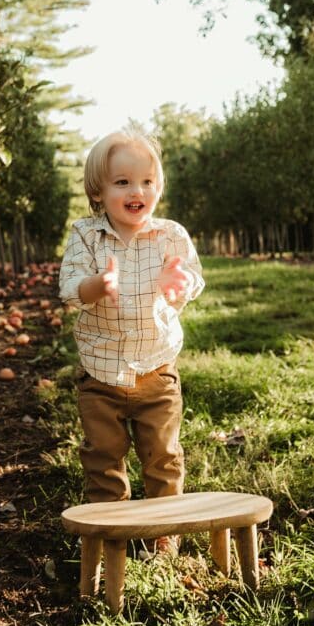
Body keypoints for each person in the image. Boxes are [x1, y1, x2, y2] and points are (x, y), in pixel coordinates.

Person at [59, 126, 204, 550]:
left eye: (146, 181)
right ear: (98, 192)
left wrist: (180, 282)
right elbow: (69, 288)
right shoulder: (85, 235)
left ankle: (164, 536)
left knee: (163, 456)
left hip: (156, 371)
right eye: (122, 182)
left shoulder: (170, 234)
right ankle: (113, 533)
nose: (136, 190)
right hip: (100, 377)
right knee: (102, 458)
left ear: (158, 187)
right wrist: (97, 285)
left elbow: (192, 278)